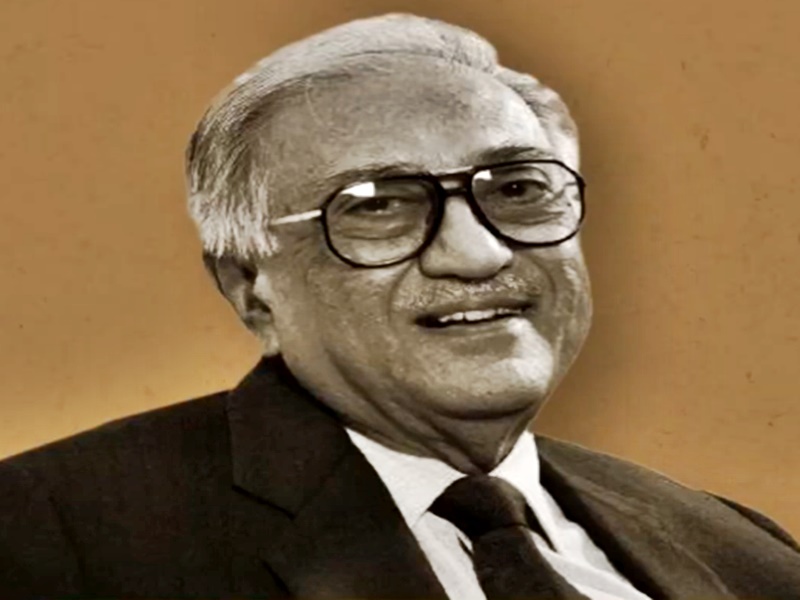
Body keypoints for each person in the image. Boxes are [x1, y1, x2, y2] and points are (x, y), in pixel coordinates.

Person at [1, 13, 798, 600]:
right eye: (378, 204)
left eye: (518, 188)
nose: (477, 253)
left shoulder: (744, 553)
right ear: (250, 288)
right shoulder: (47, 540)